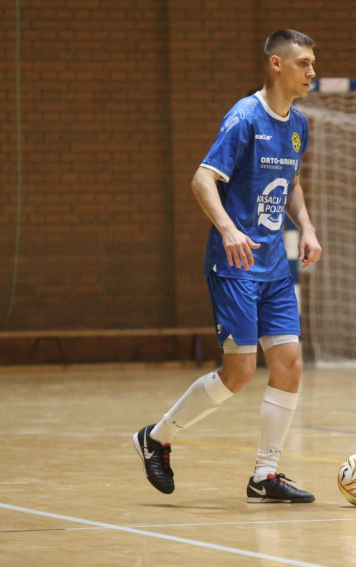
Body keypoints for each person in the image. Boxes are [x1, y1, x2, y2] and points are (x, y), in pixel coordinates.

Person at [133, 30, 321, 501]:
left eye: (313, 63)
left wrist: (308, 227)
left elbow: (290, 181)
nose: (312, 72)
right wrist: (228, 229)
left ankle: (265, 475)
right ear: (276, 65)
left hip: (275, 267)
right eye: (303, 63)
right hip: (235, 265)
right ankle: (156, 437)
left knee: (290, 365)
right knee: (238, 373)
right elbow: (202, 179)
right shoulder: (244, 117)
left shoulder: (298, 123)